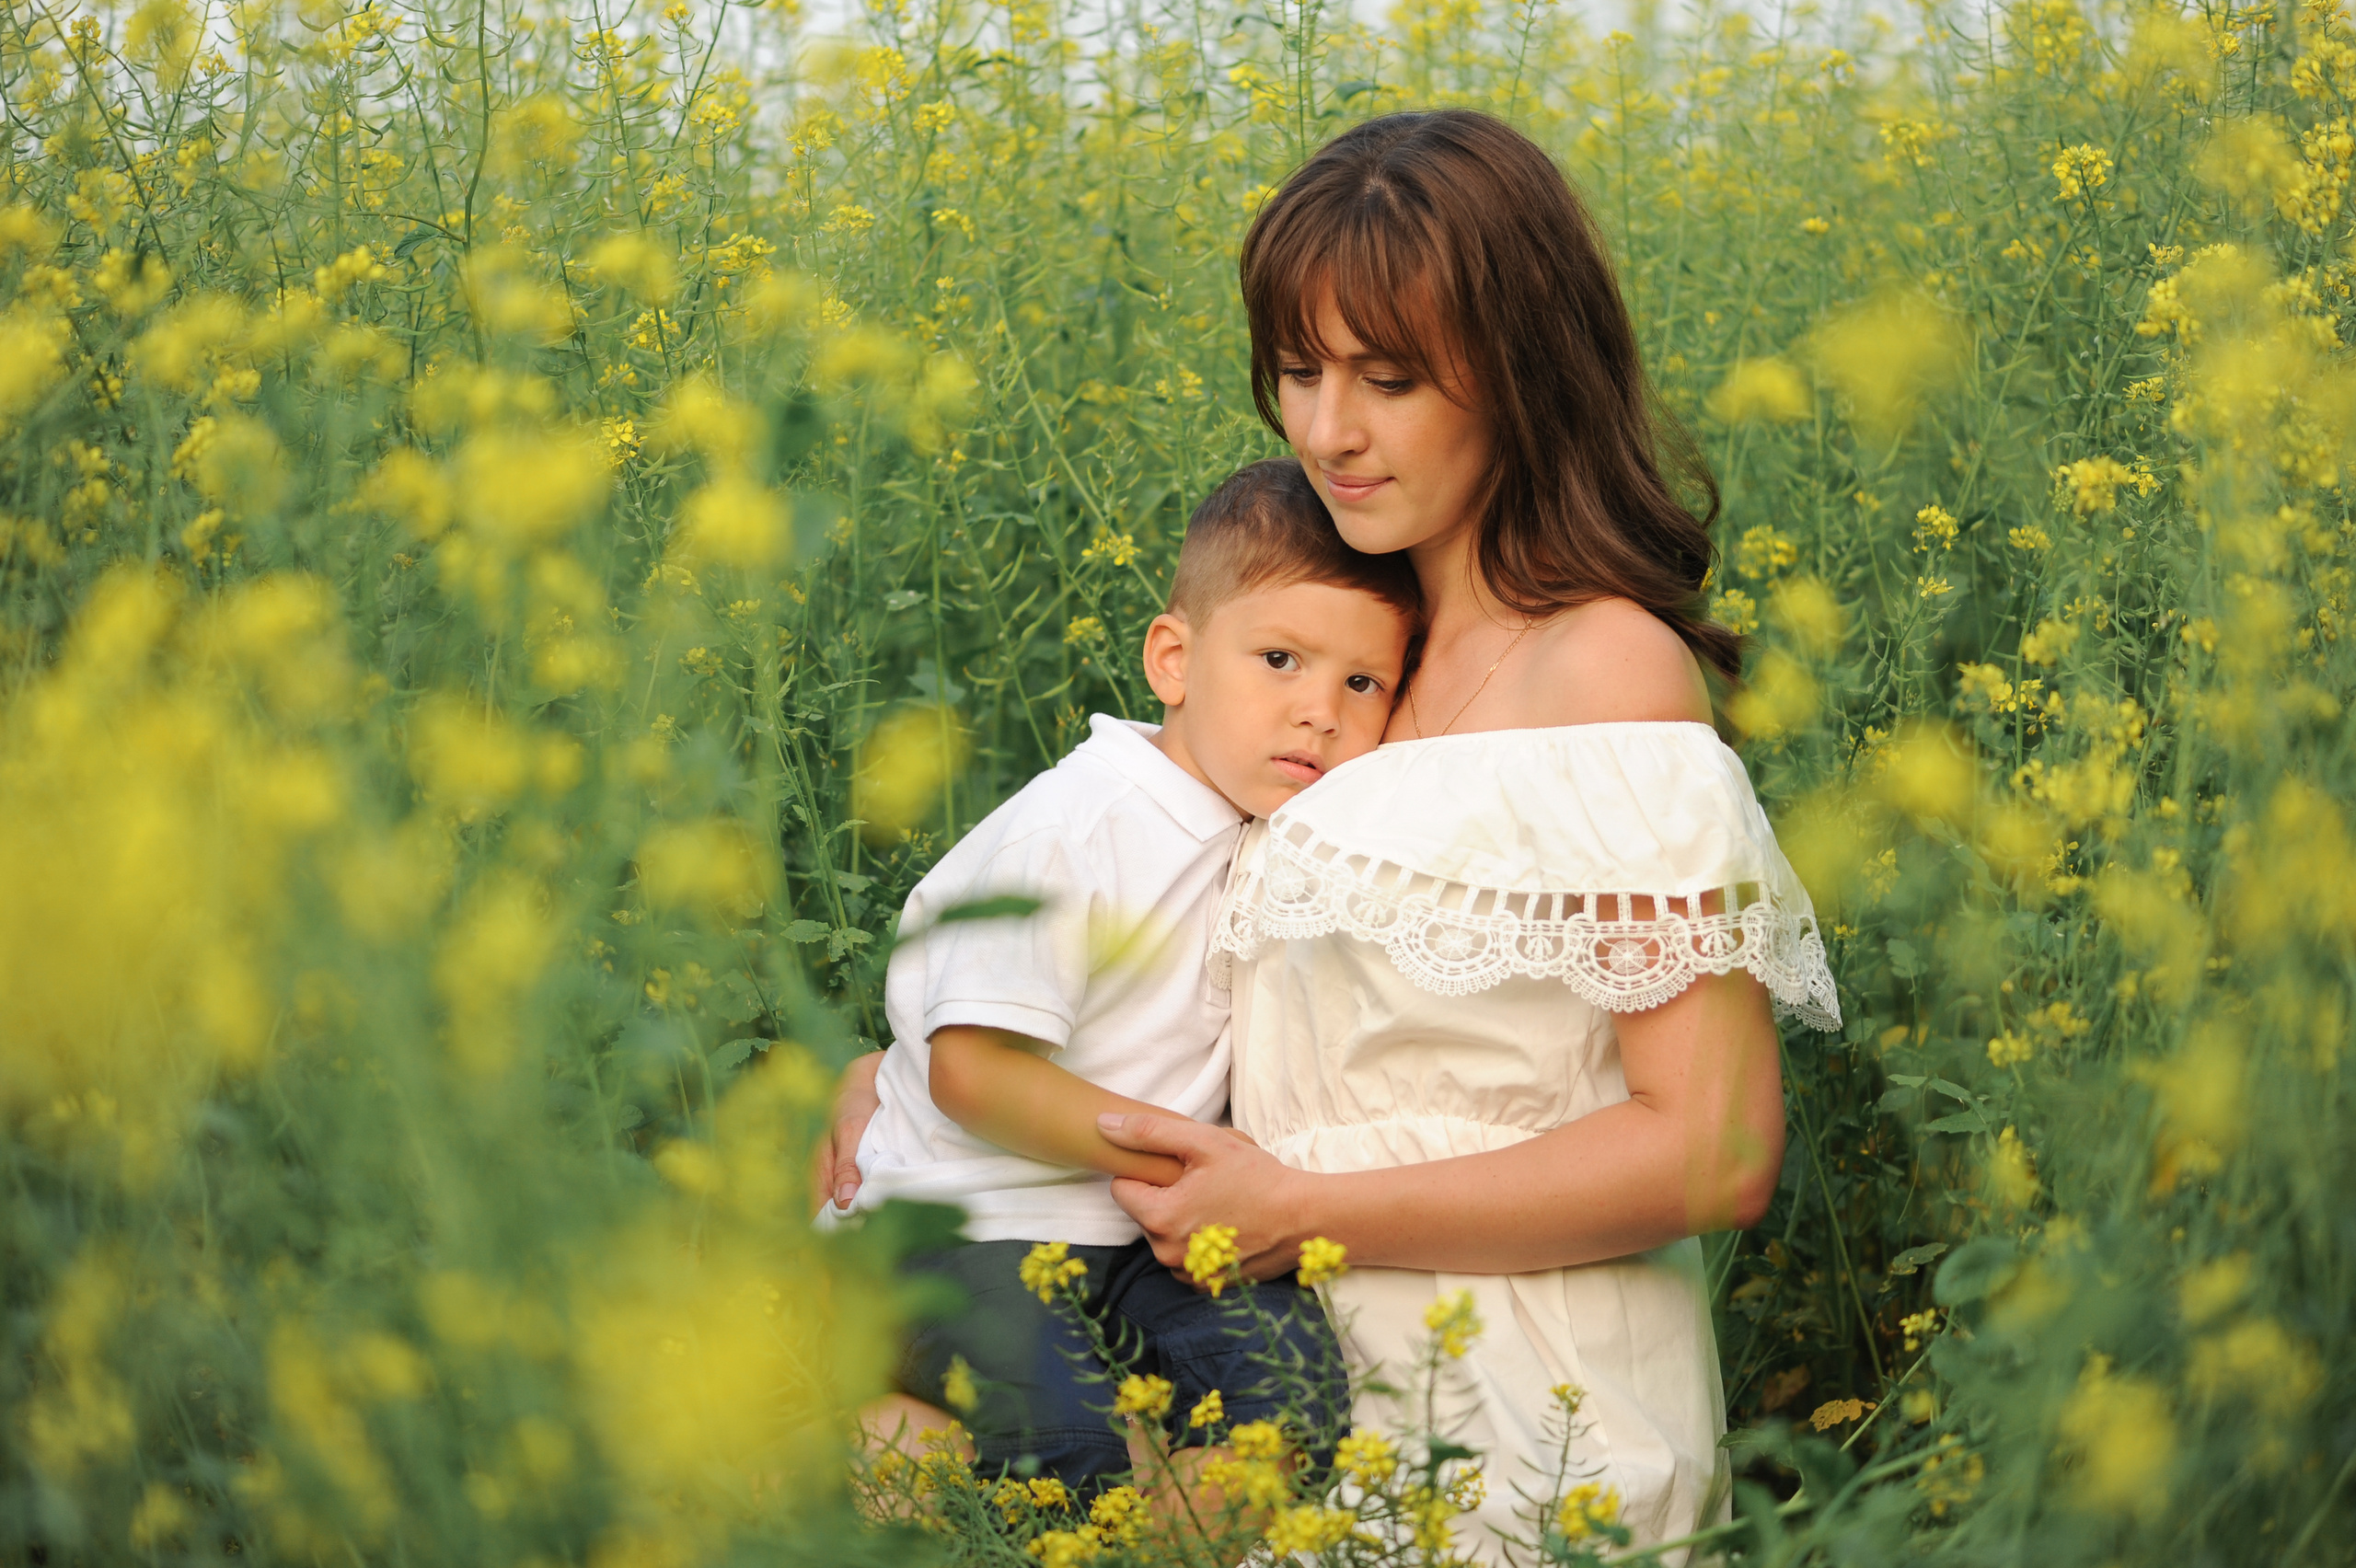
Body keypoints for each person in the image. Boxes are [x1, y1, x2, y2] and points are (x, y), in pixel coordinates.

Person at [823, 110, 1841, 1561]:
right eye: (1300, 372)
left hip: (1493, 1383)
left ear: (1523, 371)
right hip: (1232, 1343)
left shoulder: (1601, 666)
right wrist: (913, 1072)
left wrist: (1308, 1213)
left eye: (1391, 378)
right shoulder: (1334, 662)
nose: (1327, 431)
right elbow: (1175, 977)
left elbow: (1718, 1148)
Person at [831, 458, 1419, 1496]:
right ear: (1173, 660)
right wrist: (1190, 1154)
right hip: (966, 1229)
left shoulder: (1268, 832)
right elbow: (973, 1072)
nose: (1320, 711)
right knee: (1071, 1448)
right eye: (1280, 659)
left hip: (1131, 1243)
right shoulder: (1080, 825)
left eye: (1361, 683)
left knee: (1290, 1389)